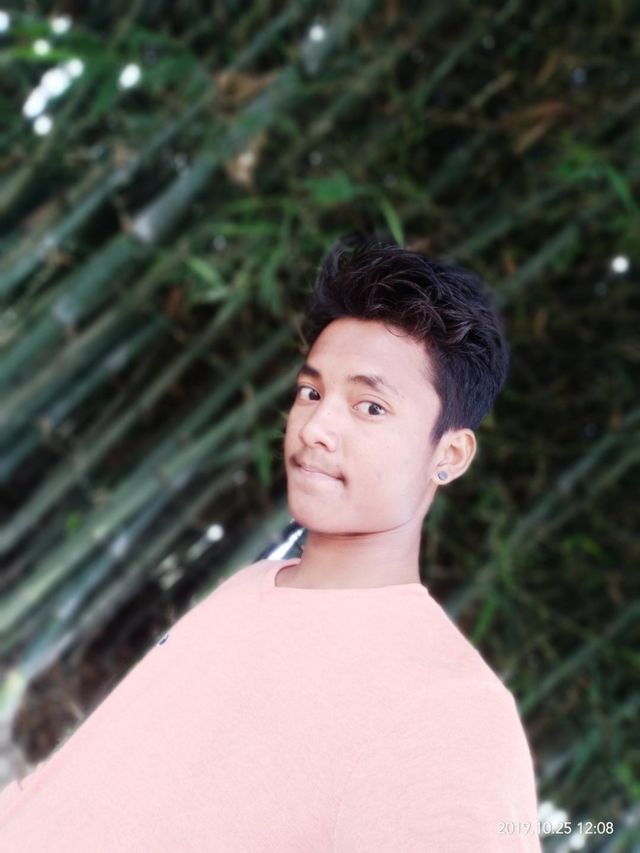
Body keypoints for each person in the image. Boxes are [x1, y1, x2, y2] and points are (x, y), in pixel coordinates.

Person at [0, 234, 542, 851]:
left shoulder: (452, 710)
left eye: (369, 407)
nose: (315, 428)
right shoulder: (255, 584)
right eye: (312, 392)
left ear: (450, 454)